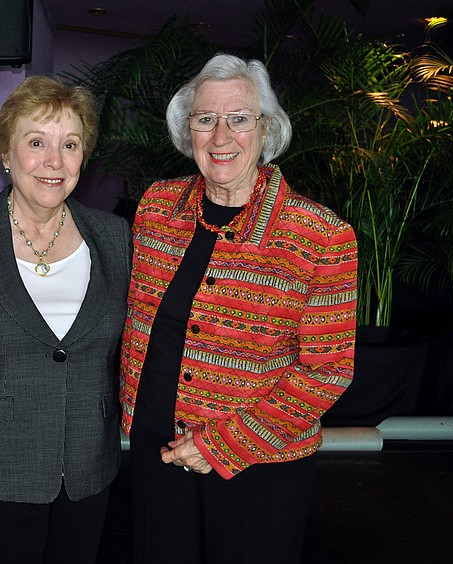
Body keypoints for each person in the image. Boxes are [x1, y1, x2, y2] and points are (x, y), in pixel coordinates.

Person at [120, 53, 358, 564]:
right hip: (156, 451)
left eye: (239, 119)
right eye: (205, 119)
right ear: (187, 130)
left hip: (260, 468)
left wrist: (221, 445)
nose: (220, 136)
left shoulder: (320, 235)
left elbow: (328, 371)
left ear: (266, 129)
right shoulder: (156, 208)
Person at [0, 75, 132, 564]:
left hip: (88, 469)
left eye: (70, 145)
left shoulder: (115, 238)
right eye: (37, 142)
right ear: (6, 153)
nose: (54, 161)